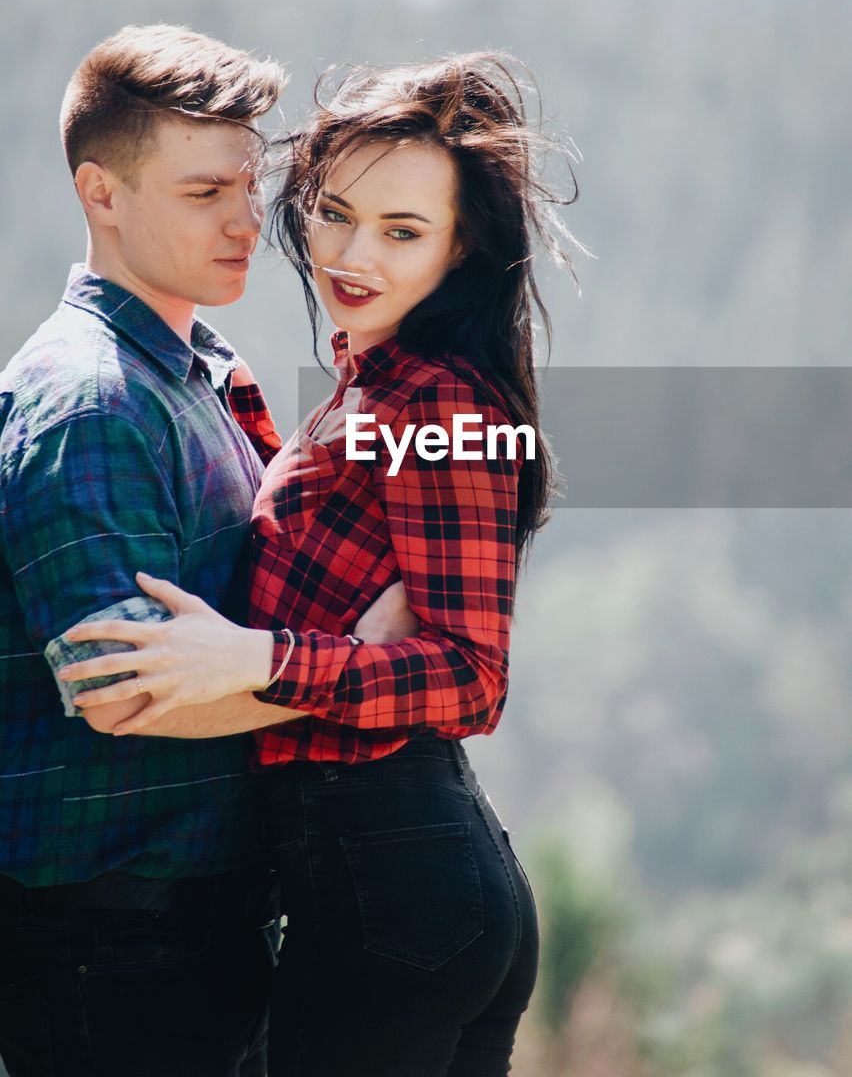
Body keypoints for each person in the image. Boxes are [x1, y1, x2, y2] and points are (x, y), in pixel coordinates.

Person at [61, 53, 585, 1076]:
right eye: (334, 212)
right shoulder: (372, 392)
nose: (353, 254)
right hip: (406, 881)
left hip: (392, 879)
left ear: (461, 245)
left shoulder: (437, 404)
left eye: (402, 231)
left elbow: (472, 676)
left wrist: (265, 659)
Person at [0, 23, 296, 1077]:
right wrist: (359, 675)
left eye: (247, 185)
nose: (244, 218)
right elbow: (122, 690)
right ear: (102, 192)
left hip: (194, 933)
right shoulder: (94, 397)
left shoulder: (192, 364)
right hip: (114, 954)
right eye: (203, 191)